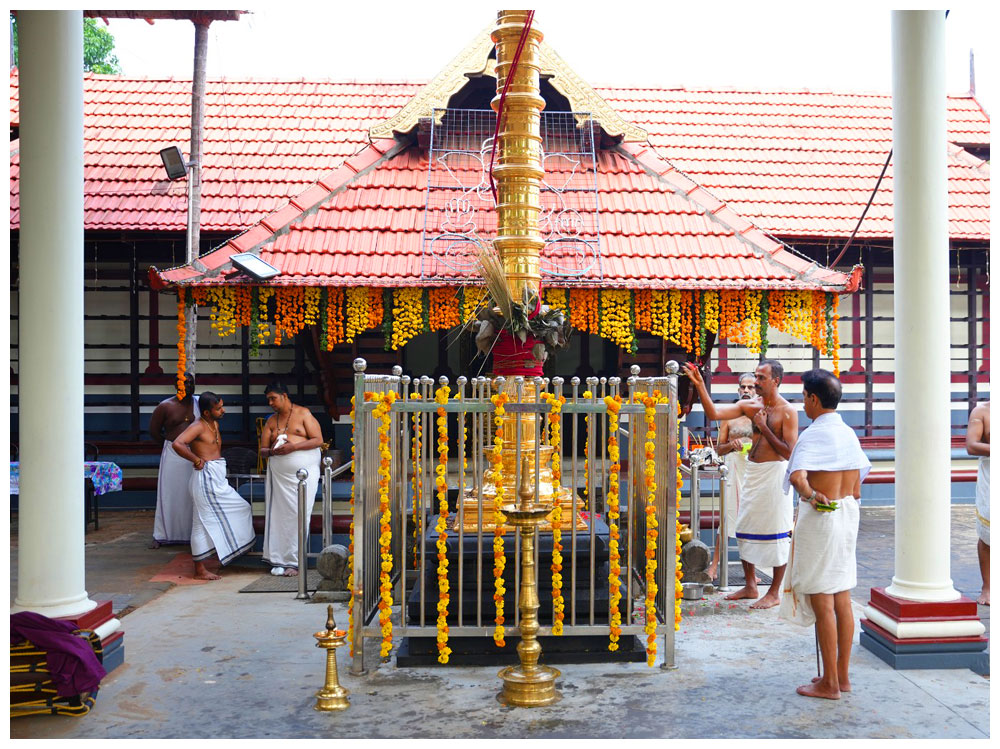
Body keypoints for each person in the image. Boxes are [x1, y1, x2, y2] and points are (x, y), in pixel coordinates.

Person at [779, 368, 871, 700]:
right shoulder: (848, 433)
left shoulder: (815, 433)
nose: (803, 403)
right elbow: (858, 484)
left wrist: (810, 493)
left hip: (822, 518)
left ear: (813, 399)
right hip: (847, 514)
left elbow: (798, 477)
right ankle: (842, 677)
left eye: (804, 396)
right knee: (842, 597)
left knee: (822, 600)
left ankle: (830, 683)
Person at [685, 359, 797, 609]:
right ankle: (750, 585)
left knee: (778, 533)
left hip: (774, 475)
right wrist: (700, 386)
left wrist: (763, 428)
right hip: (752, 474)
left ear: (776, 381)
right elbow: (714, 413)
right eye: (755, 377)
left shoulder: (787, 411)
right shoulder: (749, 406)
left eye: (761, 378)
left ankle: (774, 591)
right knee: (743, 527)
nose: (755, 383)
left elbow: (790, 453)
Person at [172, 392, 255, 580]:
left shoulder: (214, 424)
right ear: (207, 412)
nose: (223, 410)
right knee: (200, 523)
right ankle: (200, 569)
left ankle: (224, 550)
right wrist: (195, 459)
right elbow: (177, 444)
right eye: (218, 408)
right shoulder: (198, 426)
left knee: (241, 508)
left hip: (217, 476)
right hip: (205, 478)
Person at [259, 382, 323, 577]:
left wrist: (293, 448)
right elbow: (261, 451)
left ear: (284, 396)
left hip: (303, 474)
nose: (270, 403)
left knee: (299, 512)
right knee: (279, 516)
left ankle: (295, 561)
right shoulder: (271, 421)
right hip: (280, 477)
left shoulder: (303, 414)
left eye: (273, 398)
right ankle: (279, 559)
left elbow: (318, 440)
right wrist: (273, 450)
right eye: (268, 399)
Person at [707, 373, 756, 581]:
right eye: (743, 387)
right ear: (738, 390)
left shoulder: (762, 415)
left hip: (754, 471)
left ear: (756, 390)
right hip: (733, 468)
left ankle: (751, 572)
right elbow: (719, 449)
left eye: (750, 387)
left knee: (752, 518)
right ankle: (714, 565)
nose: (746, 390)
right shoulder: (730, 416)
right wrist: (732, 446)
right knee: (727, 518)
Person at [148, 373, 196, 547]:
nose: (188, 386)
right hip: (173, 455)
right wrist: (172, 446)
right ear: (176, 386)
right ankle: (162, 534)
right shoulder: (165, 406)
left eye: (191, 383)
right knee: (170, 494)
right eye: (184, 383)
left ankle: (193, 534)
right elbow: (154, 431)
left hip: (195, 454)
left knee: (192, 494)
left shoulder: (198, 403)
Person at [966, 401, 990, 606]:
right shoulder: (982, 411)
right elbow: (971, 445)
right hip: (992, 475)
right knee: (988, 534)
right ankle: (988, 587)